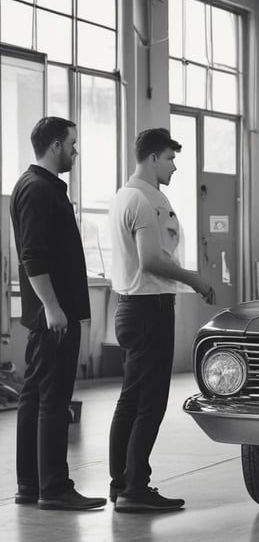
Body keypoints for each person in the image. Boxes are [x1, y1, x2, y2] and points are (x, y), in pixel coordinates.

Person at [108, 128, 215, 512]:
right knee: (149, 402)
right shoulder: (142, 199)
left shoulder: (128, 196)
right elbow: (151, 259)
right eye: (170, 158)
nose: (174, 166)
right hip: (149, 307)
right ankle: (134, 488)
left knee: (130, 399)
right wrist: (196, 280)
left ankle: (122, 482)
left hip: (131, 305)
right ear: (153, 157)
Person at [10, 117, 107, 510]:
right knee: (52, 400)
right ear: (54, 146)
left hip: (52, 315)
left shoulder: (41, 187)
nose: (75, 151)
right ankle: (53, 487)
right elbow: (33, 256)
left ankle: (30, 486)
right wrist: (53, 307)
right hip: (54, 317)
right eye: (72, 144)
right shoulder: (37, 190)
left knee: (34, 399)